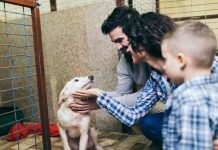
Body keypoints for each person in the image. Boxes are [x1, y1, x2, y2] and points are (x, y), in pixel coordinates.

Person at [73, 11, 218, 146]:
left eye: (127, 41)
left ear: (141, 43)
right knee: (151, 123)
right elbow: (132, 114)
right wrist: (100, 95)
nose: (125, 48)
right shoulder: (155, 77)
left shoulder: (199, 70)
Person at [161, 21, 218, 149]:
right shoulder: (214, 89)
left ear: (181, 60)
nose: (164, 66)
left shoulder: (190, 101)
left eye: (166, 59)